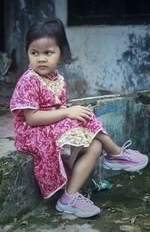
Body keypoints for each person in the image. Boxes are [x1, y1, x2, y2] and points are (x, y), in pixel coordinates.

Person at [10, 17, 148, 218]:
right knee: (77, 115)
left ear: (61, 54)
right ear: (28, 54)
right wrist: (68, 113)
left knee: (94, 146)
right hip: (33, 134)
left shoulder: (58, 79)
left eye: (48, 53)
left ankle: (69, 198)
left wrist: (69, 113)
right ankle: (115, 153)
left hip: (52, 129)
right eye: (34, 53)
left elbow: (60, 110)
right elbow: (31, 119)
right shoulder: (29, 81)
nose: (40, 58)